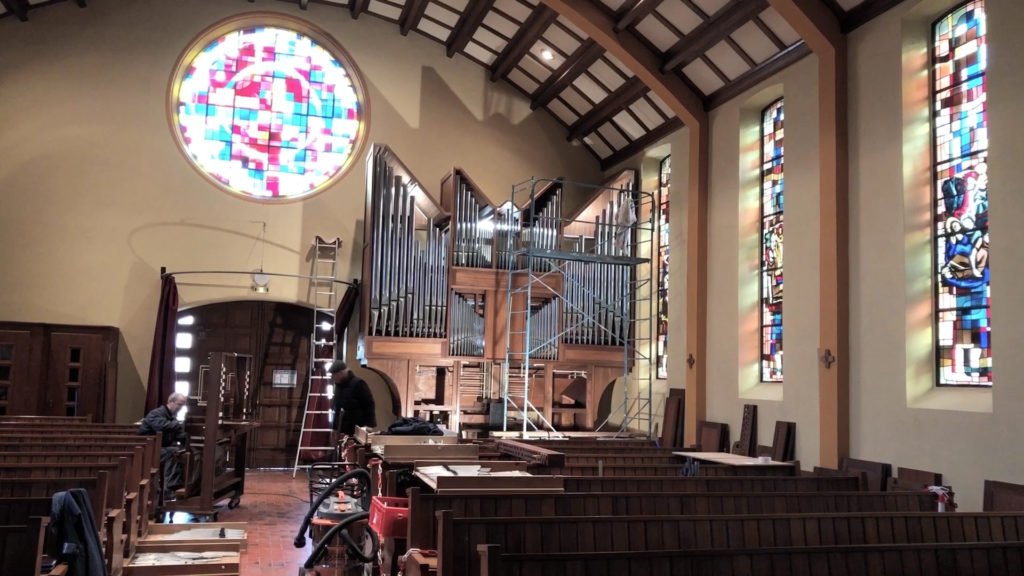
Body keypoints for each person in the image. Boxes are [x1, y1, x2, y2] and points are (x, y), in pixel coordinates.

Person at [138, 392, 189, 499]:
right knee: (174, 453)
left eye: (183, 405)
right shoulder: (156, 413)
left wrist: (189, 439)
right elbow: (160, 427)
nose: (181, 408)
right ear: (170, 402)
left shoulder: (172, 417)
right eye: (179, 404)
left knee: (185, 452)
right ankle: (169, 489)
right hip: (147, 449)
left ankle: (186, 486)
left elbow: (178, 435)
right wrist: (179, 424)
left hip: (160, 448)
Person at [327, 360, 376, 436]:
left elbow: (369, 404)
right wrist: (335, 428)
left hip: (358, 427)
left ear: (341, 373)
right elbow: (337, 408)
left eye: (334, 375)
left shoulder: (358, 384)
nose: (333, 378)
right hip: (342, 429)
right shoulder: (338, 386)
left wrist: (369, 425)